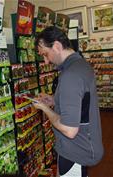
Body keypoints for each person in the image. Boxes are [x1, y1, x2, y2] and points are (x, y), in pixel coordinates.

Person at [34, 26, 104, 177]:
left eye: (45, 54)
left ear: (57, 46)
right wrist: (53, 100)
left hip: (75, 151)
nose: (45, 61)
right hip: (85, 143)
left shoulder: (70, 75)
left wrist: (45, 109)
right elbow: (81, 101)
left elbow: (69, 130)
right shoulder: (80, 65)